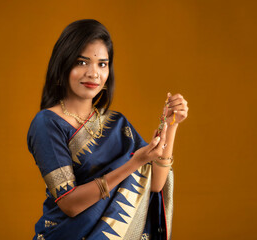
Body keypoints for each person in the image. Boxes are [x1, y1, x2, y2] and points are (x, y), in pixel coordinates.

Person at [27, 19, 188, 240]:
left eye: (102, 64)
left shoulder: (117, 123)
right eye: (82, 62)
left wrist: (171, 126)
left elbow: (154, 184)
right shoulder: (47, 123)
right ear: (63, 64)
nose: (94, 73)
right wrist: (134, 163)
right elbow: (69, 204)